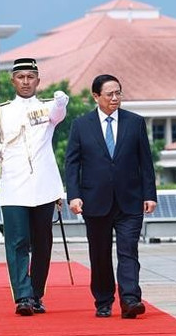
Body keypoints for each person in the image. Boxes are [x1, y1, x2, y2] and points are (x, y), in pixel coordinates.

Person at [65, 74, 157, 319]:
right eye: (110, 94)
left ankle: (130, 299)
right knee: (100, 253)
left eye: (119, 93)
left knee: (129, 250)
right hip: (95, 200)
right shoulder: (81, 125)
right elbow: (72, 164)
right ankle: (104, 300)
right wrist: (73, 195)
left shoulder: (135, 122)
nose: (115, 98)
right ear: (96, 97)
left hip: (130, 199)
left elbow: (145, 162)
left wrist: (150, 194)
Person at [0, 57, 69, 316]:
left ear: (38, 81)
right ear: (12, 80)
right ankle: (22, 296)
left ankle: (36, 293)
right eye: (20, 77)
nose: (25, 82)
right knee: (17, 242)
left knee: (43, 244)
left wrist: (61, 101)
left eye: (30, 77)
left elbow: (57, 114)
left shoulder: (46, 108)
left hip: (43, 186)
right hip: (13, 187)